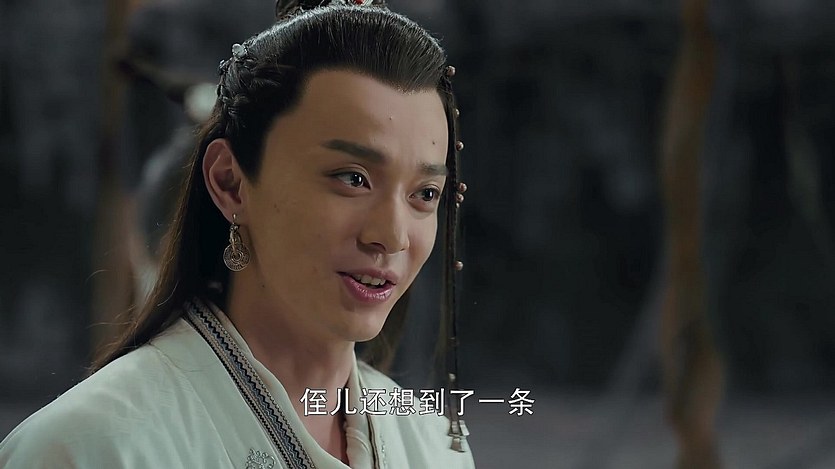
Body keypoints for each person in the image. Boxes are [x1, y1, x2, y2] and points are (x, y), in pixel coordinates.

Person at [0, 1, 474, 467]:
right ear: (230, 182)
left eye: (425, 193)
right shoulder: (91, 448)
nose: (392, 236)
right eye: (352, 178)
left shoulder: (433, 444)